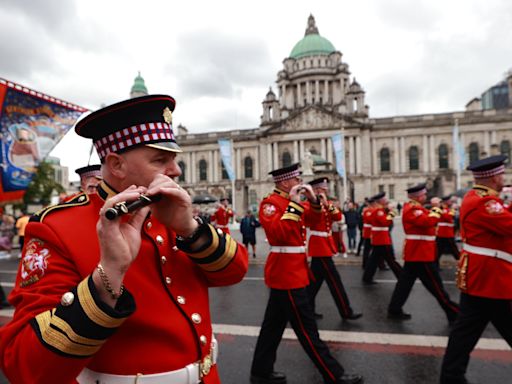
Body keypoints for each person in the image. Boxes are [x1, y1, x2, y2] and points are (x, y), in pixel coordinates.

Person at [0, 94, 249, 383]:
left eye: (175, 159)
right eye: (161, 159)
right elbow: (25, 365)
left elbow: (233, 272)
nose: (176, 170)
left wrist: (191, 229)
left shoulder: (171, 212)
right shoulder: (55, 227)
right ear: (116, 165)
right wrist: (108, 278)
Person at [250, 164, 363, 384]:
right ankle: (334, 375)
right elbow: (278, 234)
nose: (300, 183)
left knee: (272, 327)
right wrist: (293, 204)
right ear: (284, 182)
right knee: (307, 330)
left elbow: (312, 220)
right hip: (286, 272)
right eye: (296, 180)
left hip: (294, 270)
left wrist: (312, 201)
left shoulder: (293, 203)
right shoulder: (271, 204)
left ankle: (261, 371)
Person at [440, 155, 512, 384]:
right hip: (492, 279)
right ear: (493, 177)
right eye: (502, 174)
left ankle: (451, 377)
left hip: (482, 278)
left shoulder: (483, 198)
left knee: (463, 334)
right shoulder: (484, 202)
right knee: (464, 333)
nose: (504, 177)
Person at [387, 183, 459, 323]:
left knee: (405, 284)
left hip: (418, 252)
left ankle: (394, 309)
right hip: (420, 253)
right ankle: (452, 311)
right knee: (436, 285)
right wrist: (437, 208)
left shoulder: (416, 208)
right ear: (419, 196)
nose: (426, 197)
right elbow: (429, 221)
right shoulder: (413, 208)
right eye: (424, 195)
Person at [306, 177, 362, 321]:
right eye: (323, 189)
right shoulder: (308, 204)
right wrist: (317, 202)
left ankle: (305, 309)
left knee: (314, 283)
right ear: (317, 190)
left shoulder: (328, 203)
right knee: (334, 280)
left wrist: (327, 204)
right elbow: (314, 218)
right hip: (319, 246)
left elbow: (338, 216)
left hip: (326, 244)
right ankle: (346, 311)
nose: (326, 191)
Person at [362, 192, 402, 284]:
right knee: (391, 260)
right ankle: (402, 277)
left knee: (374, 260)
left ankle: (367, 277)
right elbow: (385, 222)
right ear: (381, 201)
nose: (386, 201)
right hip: (381, 239)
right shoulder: (378, 211)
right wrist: (392, 213)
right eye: (384, 199)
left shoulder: (380, 210)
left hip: (380, 237)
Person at [435, 195, 460, 269]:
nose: (451, 202)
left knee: (439, 251)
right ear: (446, 202)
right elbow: (448, 217)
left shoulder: (447, 208)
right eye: (449, 201)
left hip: (447, 233)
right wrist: (453, 210)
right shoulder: (444, 209)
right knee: (453, 250)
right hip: (445, 233)